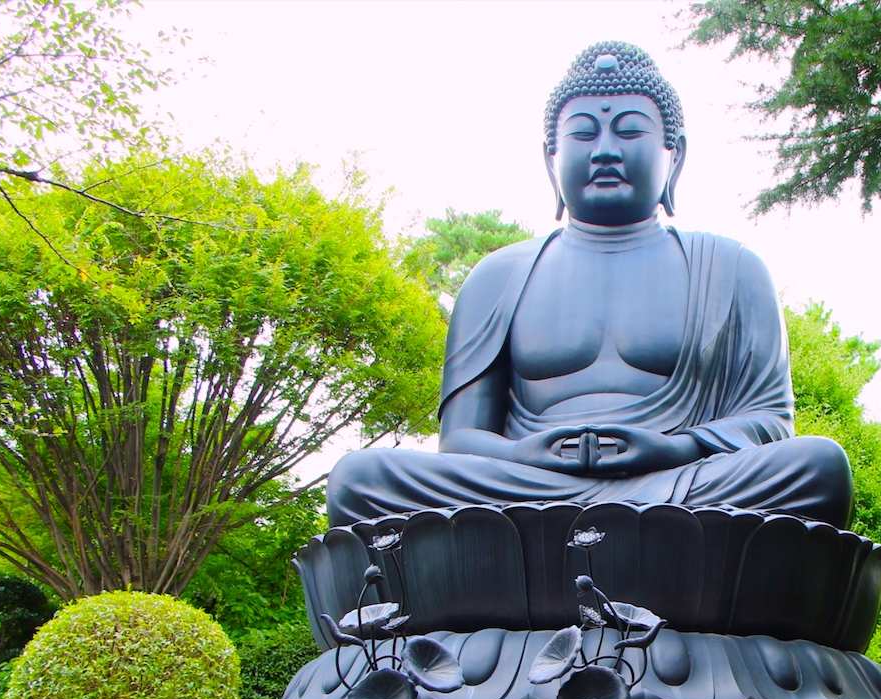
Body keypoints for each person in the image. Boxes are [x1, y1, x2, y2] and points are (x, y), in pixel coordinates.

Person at [328, 41, 854, 529]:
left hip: (678, 484)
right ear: (549, 158)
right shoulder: (498, 276)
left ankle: (512, 574)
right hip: (525, 490)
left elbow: (769, 423)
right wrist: (522, 454)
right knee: (361, 480)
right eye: (582, 133)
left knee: (817, 467)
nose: (604, 150)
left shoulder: (733, 268)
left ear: (676, 154)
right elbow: (460, 440)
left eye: (629, 132)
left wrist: (677, 448)